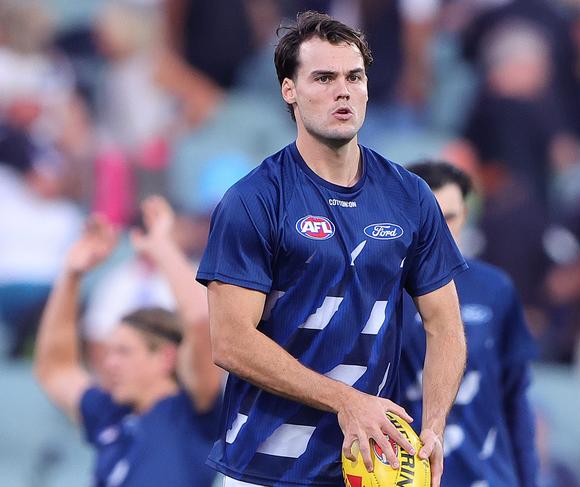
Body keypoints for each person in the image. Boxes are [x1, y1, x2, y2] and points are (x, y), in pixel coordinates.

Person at [196, 11, 468, 487]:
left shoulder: (410, 195)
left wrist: (433, 425)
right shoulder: (254, 199)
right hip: (264, 470)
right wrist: (346, 400)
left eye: (354, 77)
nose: (343, 90)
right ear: (289, 90)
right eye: (323, 77)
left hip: (368, 469)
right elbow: (231, 342)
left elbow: (445, 323)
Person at [33, 196, 223, 487]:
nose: (109, 363)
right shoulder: (110, 412)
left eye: (124, 352)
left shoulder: (193, 411)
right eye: (109, 352)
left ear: (165, 357)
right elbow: (55, 369)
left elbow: (199, 322)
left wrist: (162, 247)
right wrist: (71, 275)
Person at [399, 161, 539, 486]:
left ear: (465, 216)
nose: (440, 230)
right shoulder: (376, 288)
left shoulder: (495, 289)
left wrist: (528, 480)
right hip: (406, 473)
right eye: (429, 216)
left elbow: (515, 396)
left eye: (449, 217)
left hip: (487, 473)